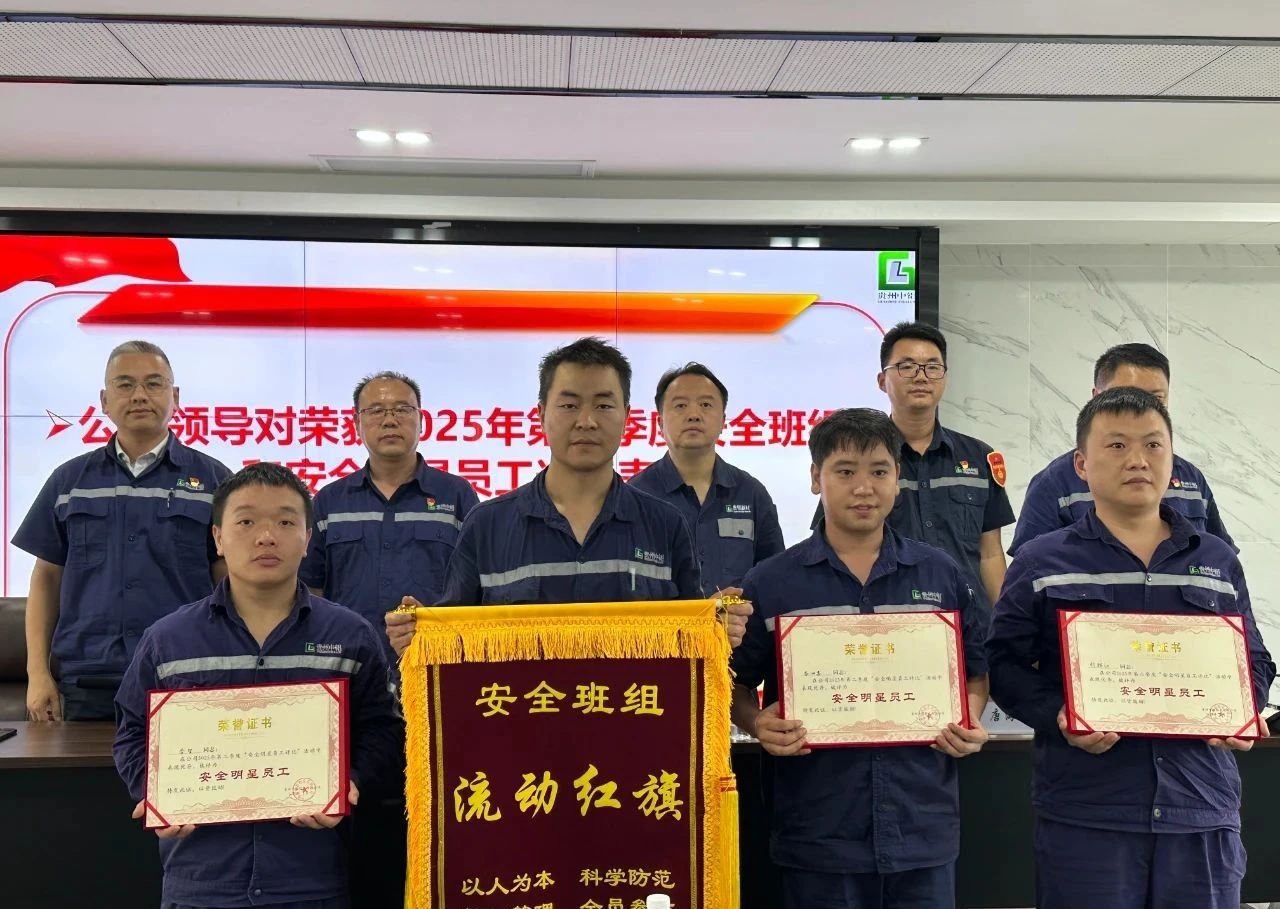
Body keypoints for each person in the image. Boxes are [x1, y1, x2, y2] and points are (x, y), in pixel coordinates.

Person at [986, 388, 1274, 909]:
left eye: (1153, 444)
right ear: (1081, 464)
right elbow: (1004, 663)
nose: (1138, 459)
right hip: (1088, 811)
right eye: (1116, 445)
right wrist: (1058, 714)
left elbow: (1254, 659)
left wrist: (1241, 711)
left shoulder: (1216, 560)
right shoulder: (1041, 561)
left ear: (1173, 458)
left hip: (1200, 806)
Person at [114, 463, 403, 909]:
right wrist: (154, 791)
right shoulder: (168, 639)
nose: (266, 537)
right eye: (246, 522)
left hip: (313, 879)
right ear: (218, 537)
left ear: (307, 539)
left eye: (285, 522)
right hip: (201, 882)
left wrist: (349, 779)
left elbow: (382, 728)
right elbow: (132, 731)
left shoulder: (351, 635)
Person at [733, 408, 990, 909]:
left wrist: (969, 718)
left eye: (879, 471)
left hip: (921, 823)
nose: (864, 488)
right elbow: (734, 684)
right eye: (845, 471)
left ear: (898, 479)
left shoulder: (940, 574)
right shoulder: (771, 581)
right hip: (817, 828)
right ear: (816, 478)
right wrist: (755, 721)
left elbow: (975, 673)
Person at [387, 337, 750, 657]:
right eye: (569, 405)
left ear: (627, 416)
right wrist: (418, 633)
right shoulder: (487, 526)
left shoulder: (665, 525)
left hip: (634, 714)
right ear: (541, 414)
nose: (586, 421)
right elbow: (453, 643)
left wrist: (717, 624)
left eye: (603, 405)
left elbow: (689, 645)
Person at [14, 340, 231, 721]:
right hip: (87, 679)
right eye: (125, 384)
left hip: (185, 674)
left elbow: (230, 580)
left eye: (154, 383)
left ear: (175, 397)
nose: (139, 395)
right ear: (104, 400)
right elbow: (46, 578)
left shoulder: (215, 481)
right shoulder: (69, 481)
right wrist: (37, 673)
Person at [813, 322, 1014, 613]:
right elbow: (833, 544)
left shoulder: (978, 457)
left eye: (932, 367)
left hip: (969, 621)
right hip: (891, 620)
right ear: (882, 380)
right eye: (906, 367)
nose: (921, 376)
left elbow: (990, 555)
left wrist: (1005, 624)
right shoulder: (860, 462)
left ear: (945, 378)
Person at [301, 370, 478, 665]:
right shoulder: (330, 501)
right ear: (356, 424)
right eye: (376, 411)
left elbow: (476, 587)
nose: (390, 420)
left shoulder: (457, 495)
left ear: (421, 420)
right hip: (348, 662)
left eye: (402, 409)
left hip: (434, 660)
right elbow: (311, 587)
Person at [1009, 342, 1235, 557]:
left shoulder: (1191, 479)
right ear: (1096, 397)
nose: (1141, 408)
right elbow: (1031, 570)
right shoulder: (1055, 482)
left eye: (1156, 398)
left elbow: (1219, 562)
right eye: (1126, 396)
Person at [630, 362, 785, 596]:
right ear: (659, 422)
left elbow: (775, 577)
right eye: (680, 405)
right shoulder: (635, 495)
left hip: (739, 621)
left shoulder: (751, 493)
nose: (694, 415)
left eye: (705, 405)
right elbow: (626, 585)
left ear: (723, 421)